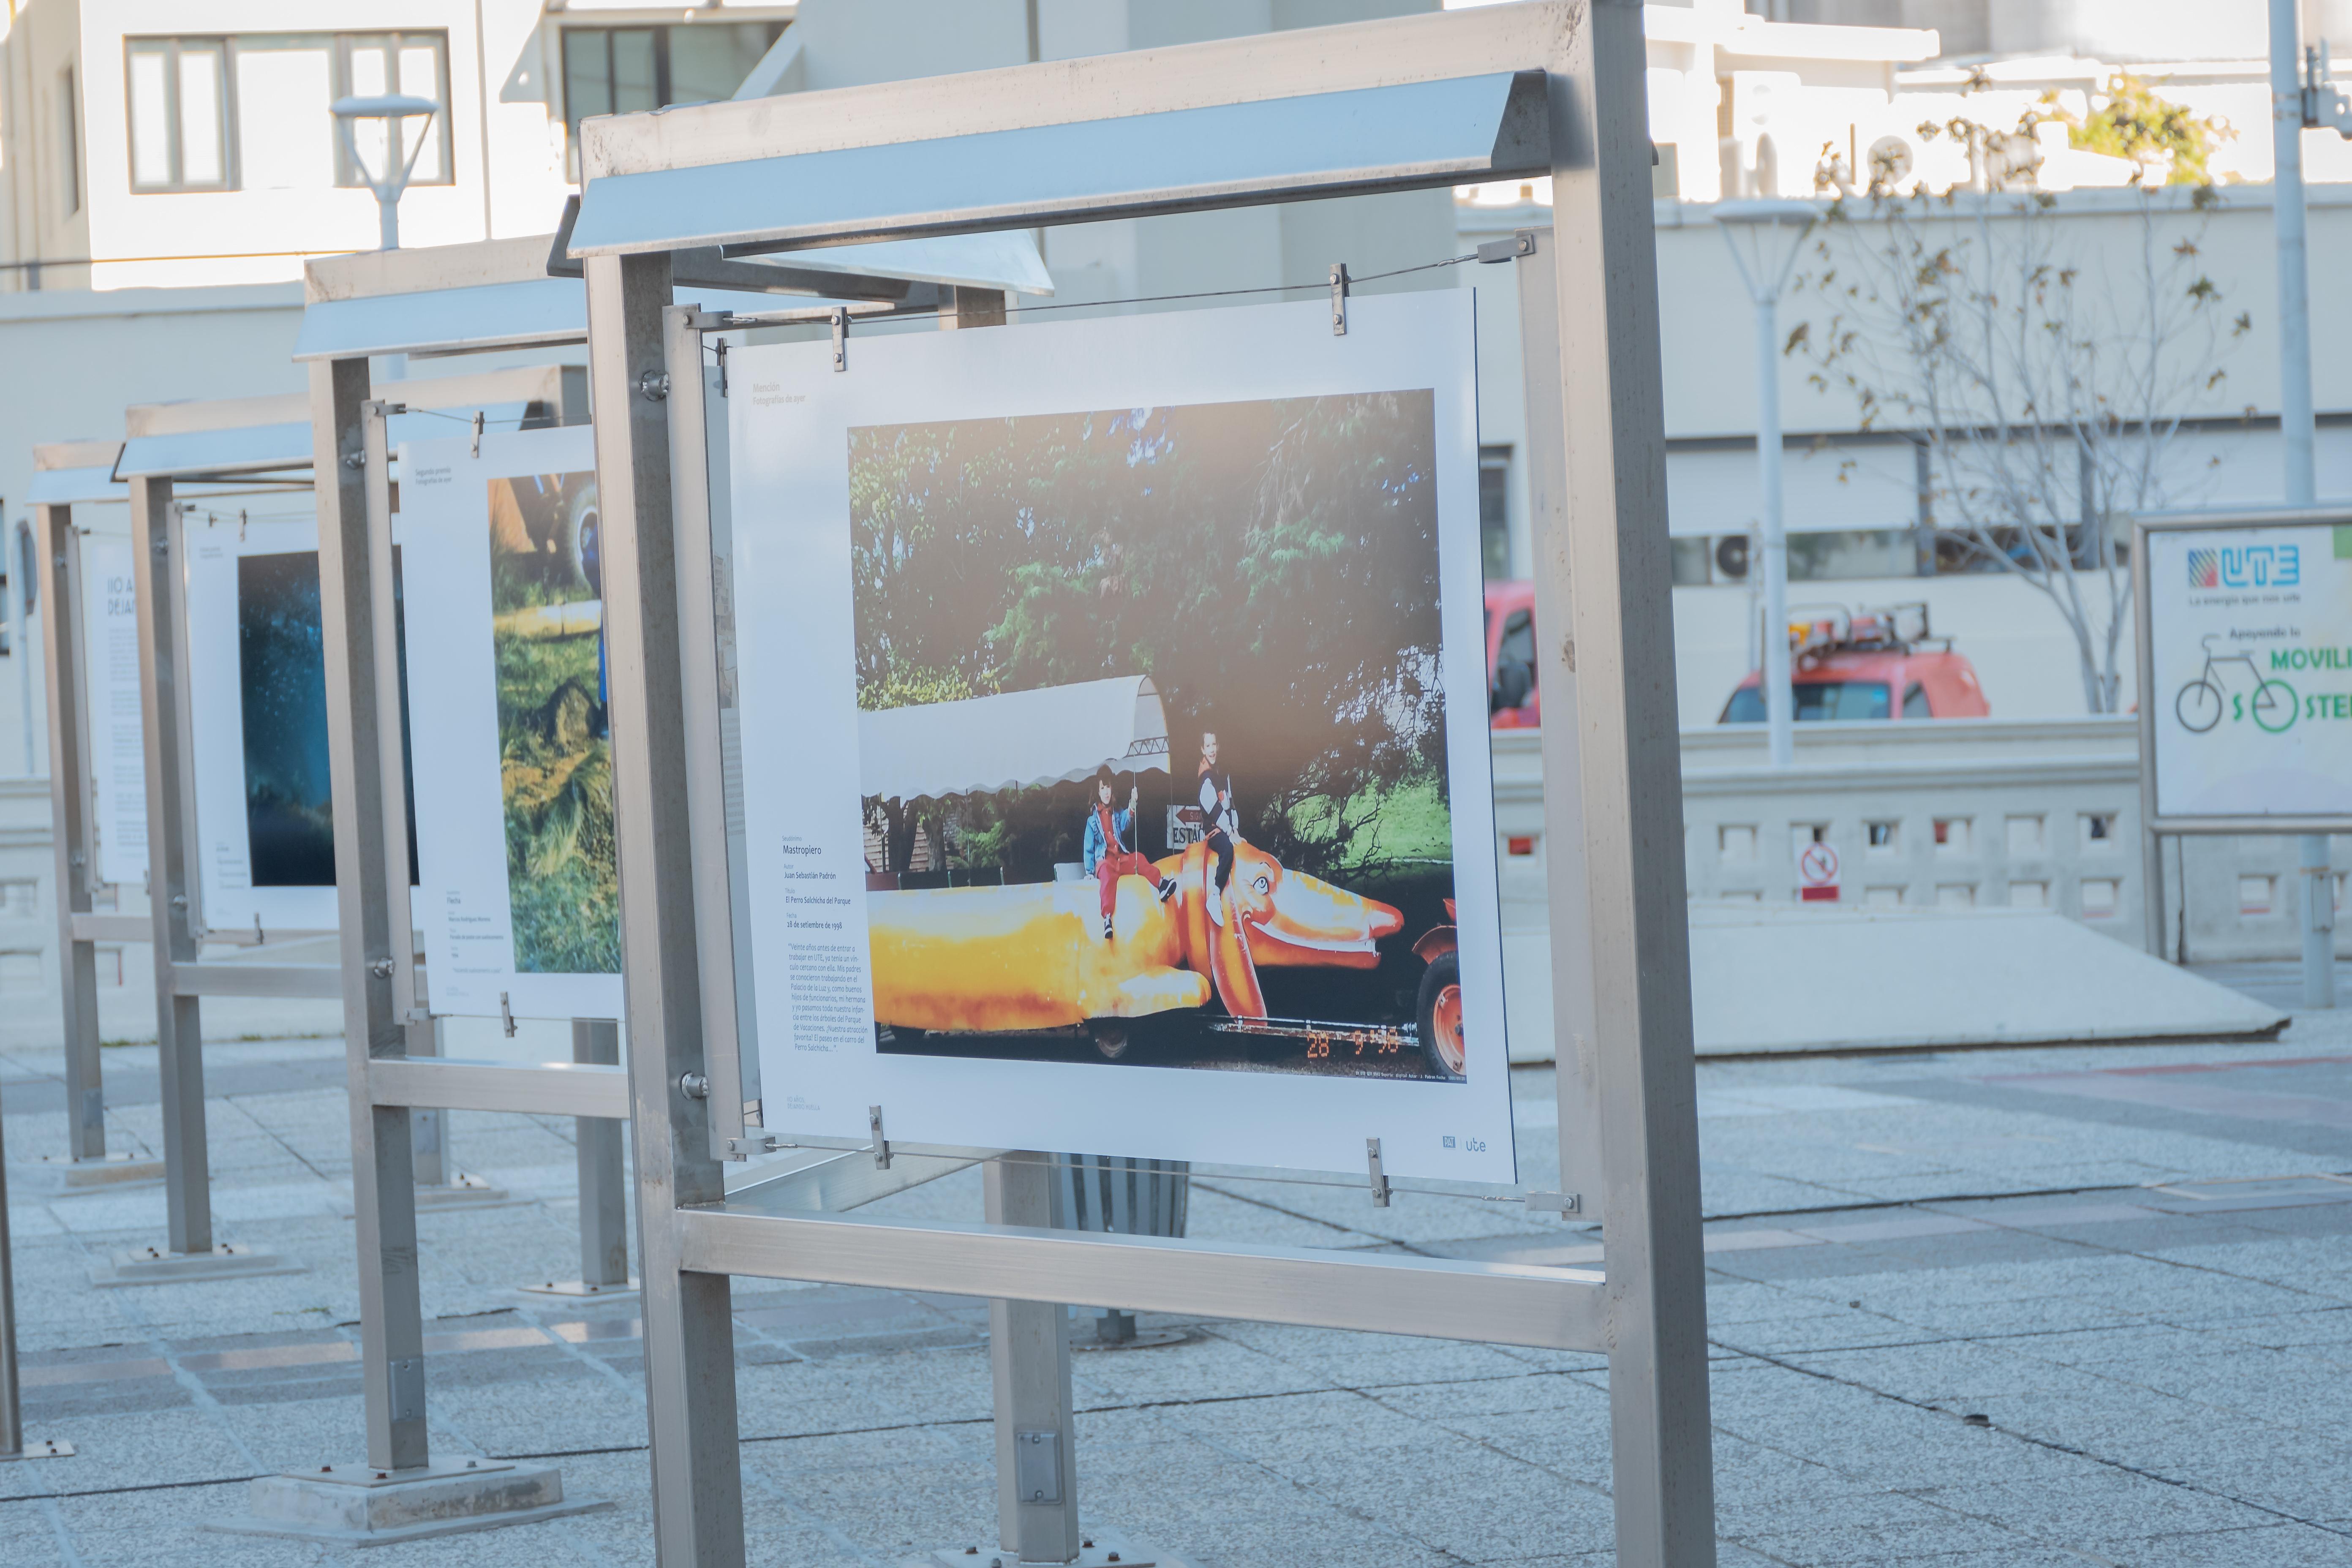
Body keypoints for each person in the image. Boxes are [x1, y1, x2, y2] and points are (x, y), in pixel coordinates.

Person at [1083, 765, 1177, 940]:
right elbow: (1088, 847)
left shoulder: (1116, 812)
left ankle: (1161, 884)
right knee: (1107, 878)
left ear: (1112, 790)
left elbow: (1126, 822)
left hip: (1120, 858)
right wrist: (1089, 872)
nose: (1106, 792)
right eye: (1103, 788)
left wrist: (1133, 803)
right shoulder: (1092, 820)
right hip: (1106, 861)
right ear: (1098, 791)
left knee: (1138, 859)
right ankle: (1107, 918)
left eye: (1109, 788)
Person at [1197, 731, 1239, 927]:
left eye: (1215, 745)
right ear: (1203, 750)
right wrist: (1230, 832)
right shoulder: (1206, 778)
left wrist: (1236, 830)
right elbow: (1214, 810)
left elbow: (1230, 803)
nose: (1212, 749)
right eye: (1208, 746)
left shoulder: (1221, 774)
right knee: (1227, 850)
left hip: (1227, 827)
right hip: (1215, 830)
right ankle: (1214, 895)